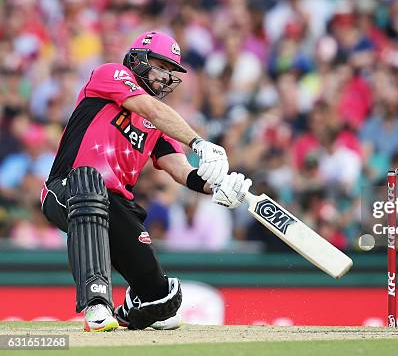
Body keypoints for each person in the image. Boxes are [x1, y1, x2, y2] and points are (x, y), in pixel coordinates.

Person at [40, 31, 251, 332]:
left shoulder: (158, 126)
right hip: (68, 188)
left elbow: (180, 170)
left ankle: (131, 309)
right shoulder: (110, 74)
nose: (165, 77)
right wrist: (199, 142)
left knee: (162, 301)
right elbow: (150, 108)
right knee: (90, 183)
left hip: (117, 205)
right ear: (138, 59)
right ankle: (97, 303)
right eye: (160, 66)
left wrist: (218, 186)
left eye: (171, 72)